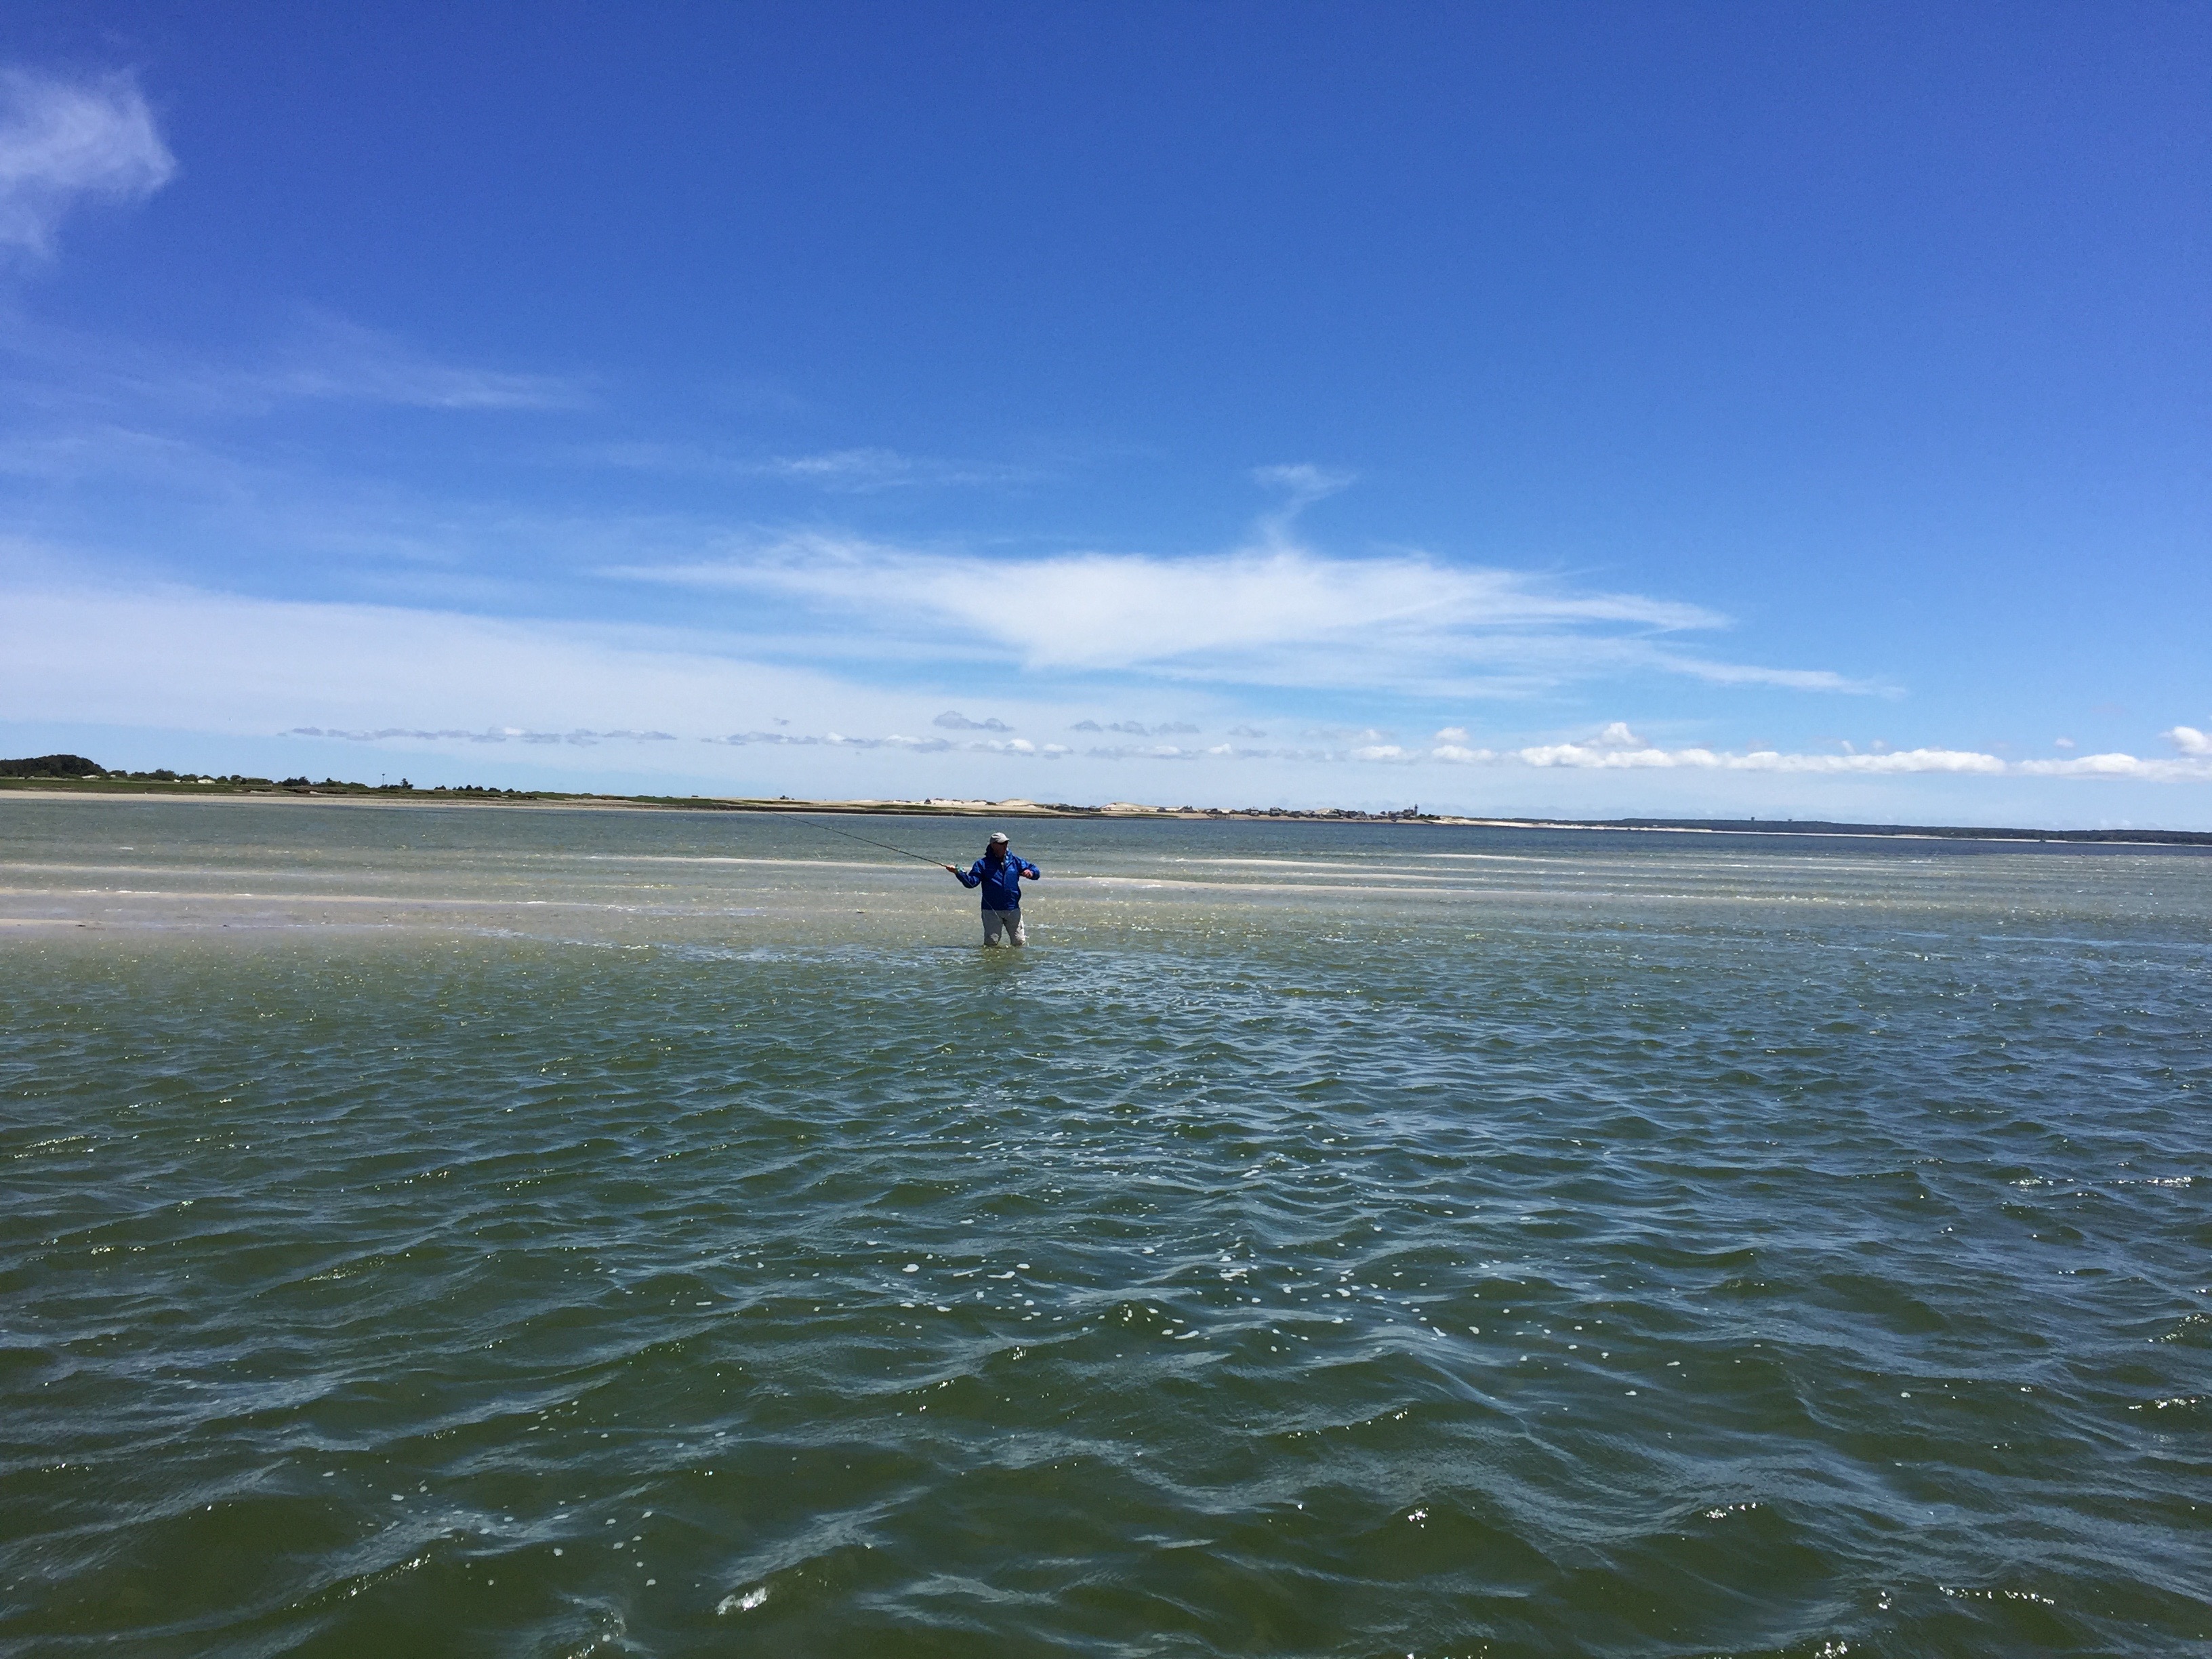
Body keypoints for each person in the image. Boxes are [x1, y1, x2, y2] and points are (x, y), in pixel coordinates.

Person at [945, 831, 1040, 946]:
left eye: (1006, 843)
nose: (1005, 846)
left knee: (1019, 943)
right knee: (991, 944)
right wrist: (958, 872)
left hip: (1013, 909)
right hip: (991, 910)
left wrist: (1031, 872)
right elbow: (971, 883)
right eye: (1001, 843)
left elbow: (1035, 871)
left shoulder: (1016, 861)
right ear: (993, 846)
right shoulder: (982, 864)